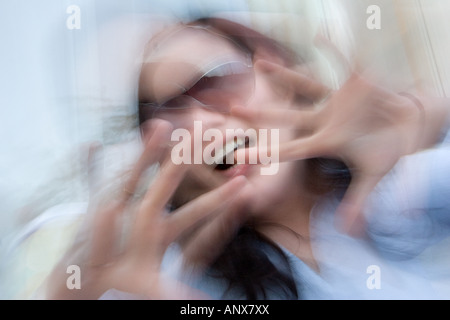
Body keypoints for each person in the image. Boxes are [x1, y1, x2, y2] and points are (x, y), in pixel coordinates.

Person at [37, 17, 450, 300]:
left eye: (213, 80)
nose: (199, 123)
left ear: (281, 78)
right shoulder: (184, 278)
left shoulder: (405, 187)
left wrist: (433, 116)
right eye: (163, 112)